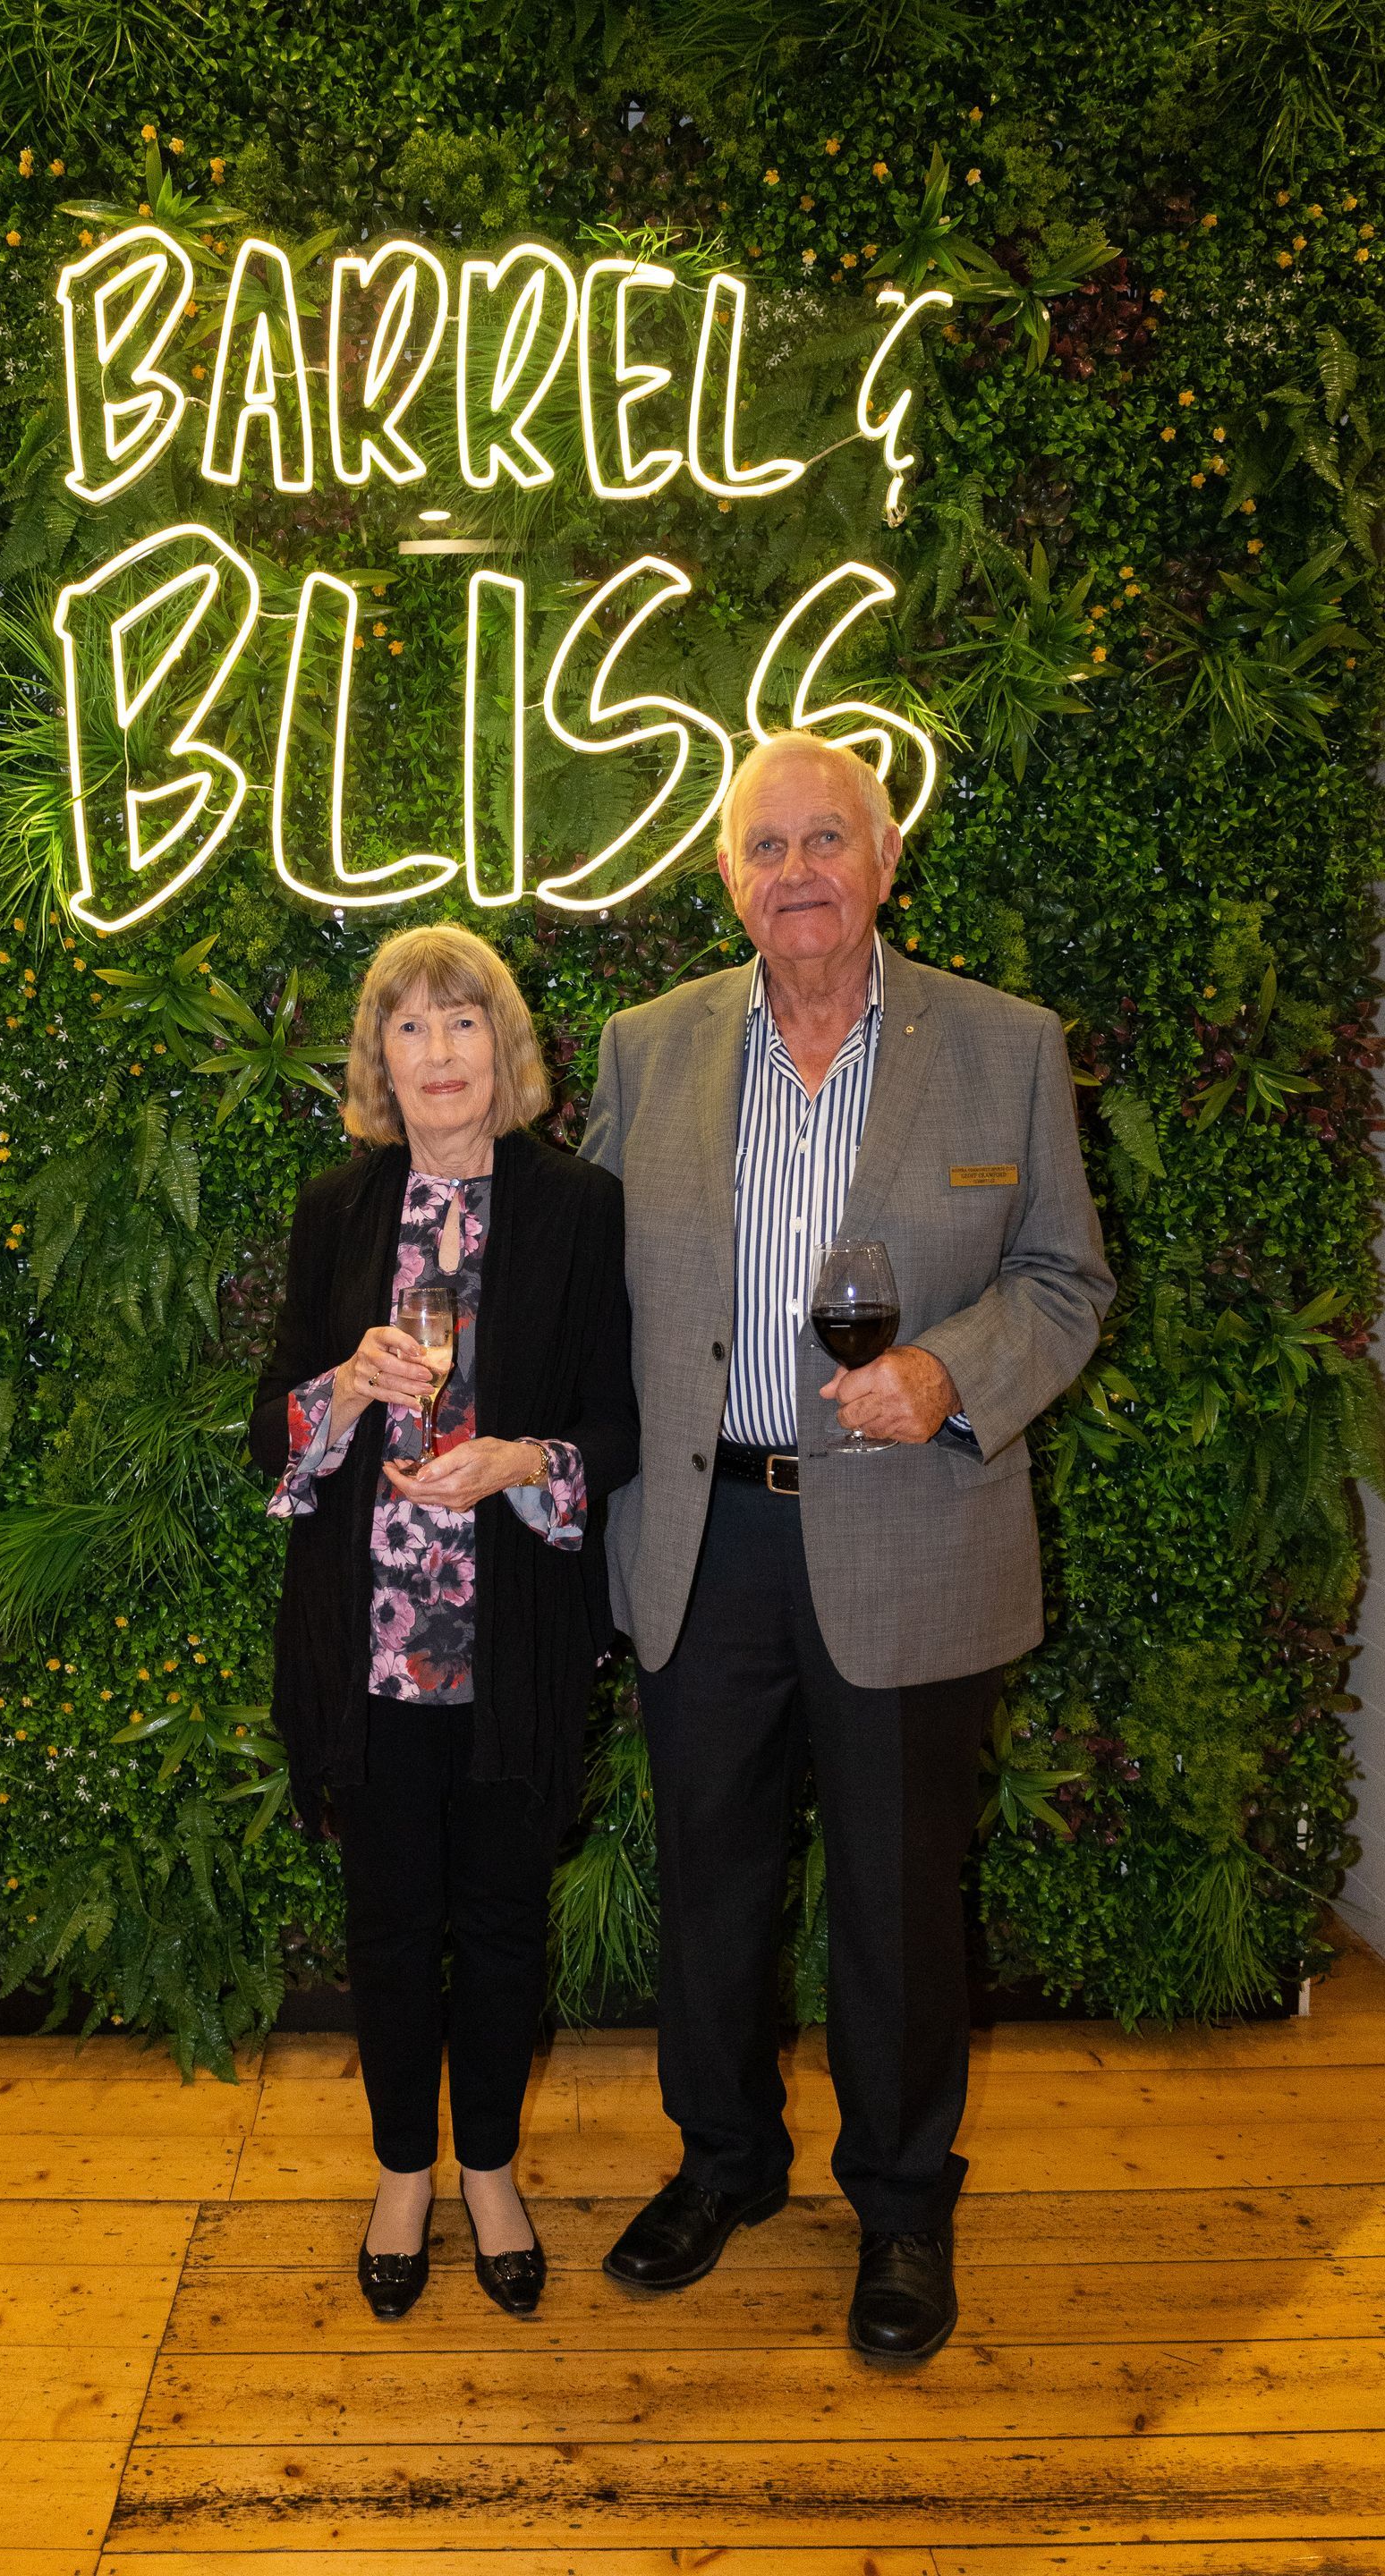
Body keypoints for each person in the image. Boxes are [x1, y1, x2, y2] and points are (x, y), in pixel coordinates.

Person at [582, 731, 1113, 2362]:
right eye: (767, 845)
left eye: (829, 839)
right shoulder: (648, 1050)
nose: (797, 870)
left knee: (897, 1897)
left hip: (913, 1533)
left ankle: (899, 2208)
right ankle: (725, 2165)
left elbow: (1065, 1280)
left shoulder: (1005, 1047)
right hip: (702, 1533)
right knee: (712, 1883)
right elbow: (576, 1278)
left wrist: (948, 1373)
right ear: (725, 877)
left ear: (887, 862)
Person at [250, 922, 636, 2323]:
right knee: (391, 1924)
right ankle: (403, 2174)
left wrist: (521, 1461)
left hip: (511, 1635)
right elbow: (272, 1428)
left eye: (461, 1020)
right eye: (406, 1026)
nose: (436, 1052)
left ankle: (490, 2171)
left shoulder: (579, 1209)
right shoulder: (337, 1210)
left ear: (503, 1044)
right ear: (378, 1060)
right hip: (370, 1643)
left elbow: (621, 1422)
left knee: (506, 1923)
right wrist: (345, 1392)